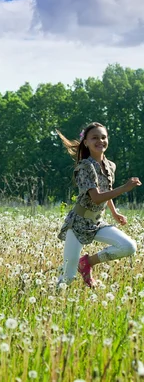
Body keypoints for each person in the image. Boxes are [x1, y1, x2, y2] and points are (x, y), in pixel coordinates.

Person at [57, 122, 140, 287]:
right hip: (78, 224)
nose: (100, 141)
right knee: (68, 278)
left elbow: (106, 191)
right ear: (86, 142)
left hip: (97, 222)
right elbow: (96, 197)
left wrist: (115, 213)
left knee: (128, 246)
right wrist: (124, 188)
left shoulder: (110, 166)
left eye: (103, 137)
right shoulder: (84, 167)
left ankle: (87, 263)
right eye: (94, 138)